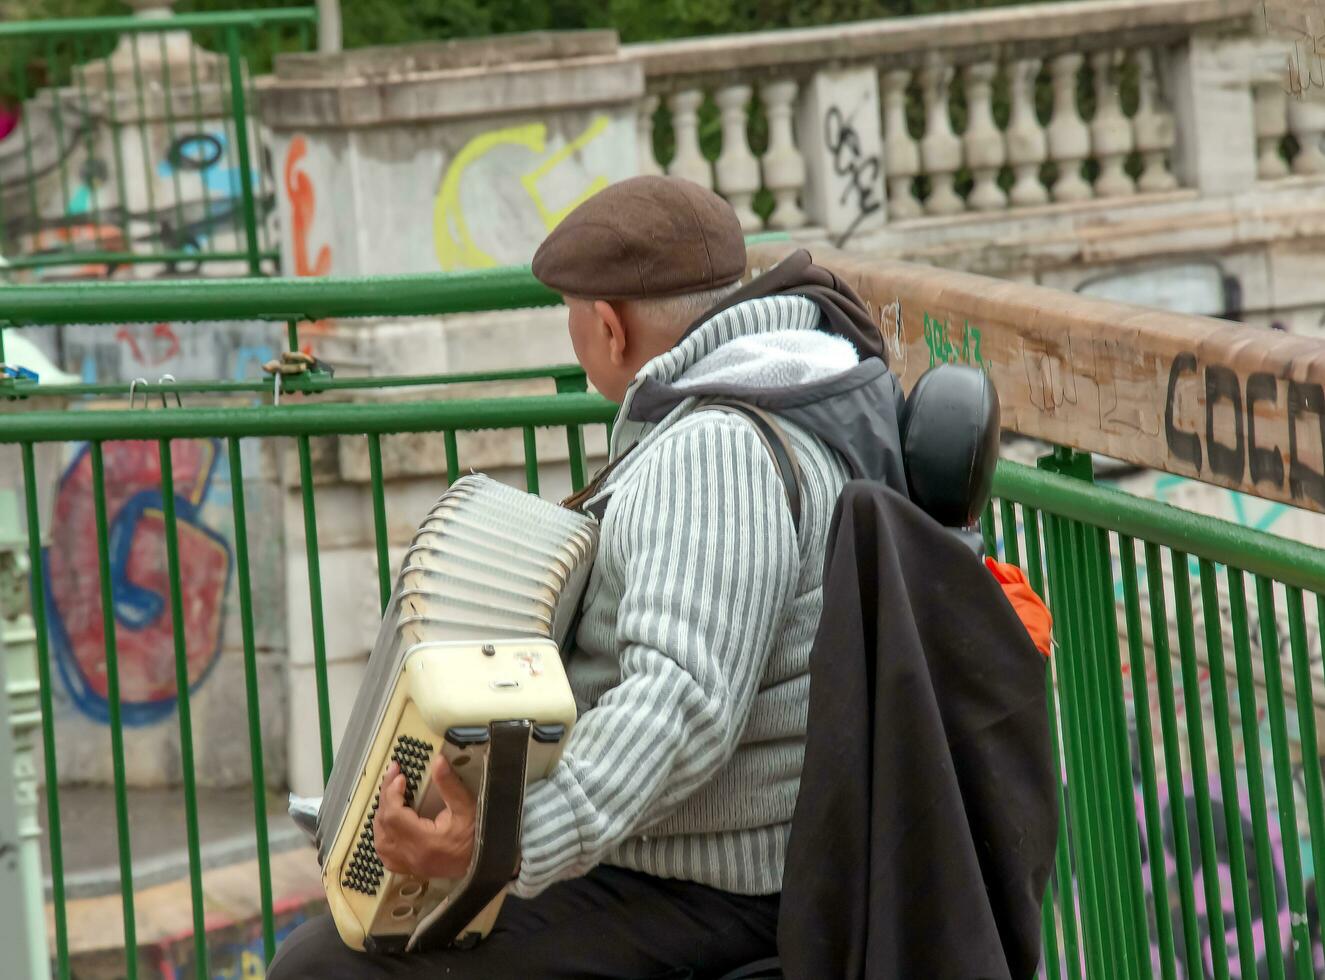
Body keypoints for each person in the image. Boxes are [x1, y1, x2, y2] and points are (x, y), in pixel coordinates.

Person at [268, 175, 906, 979]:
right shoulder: (765, 396)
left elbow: (680, 700)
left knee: (327, 970)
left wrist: (503, 845)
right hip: (691, 860)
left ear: (608, 326)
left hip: (719, 890)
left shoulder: (716, 450)